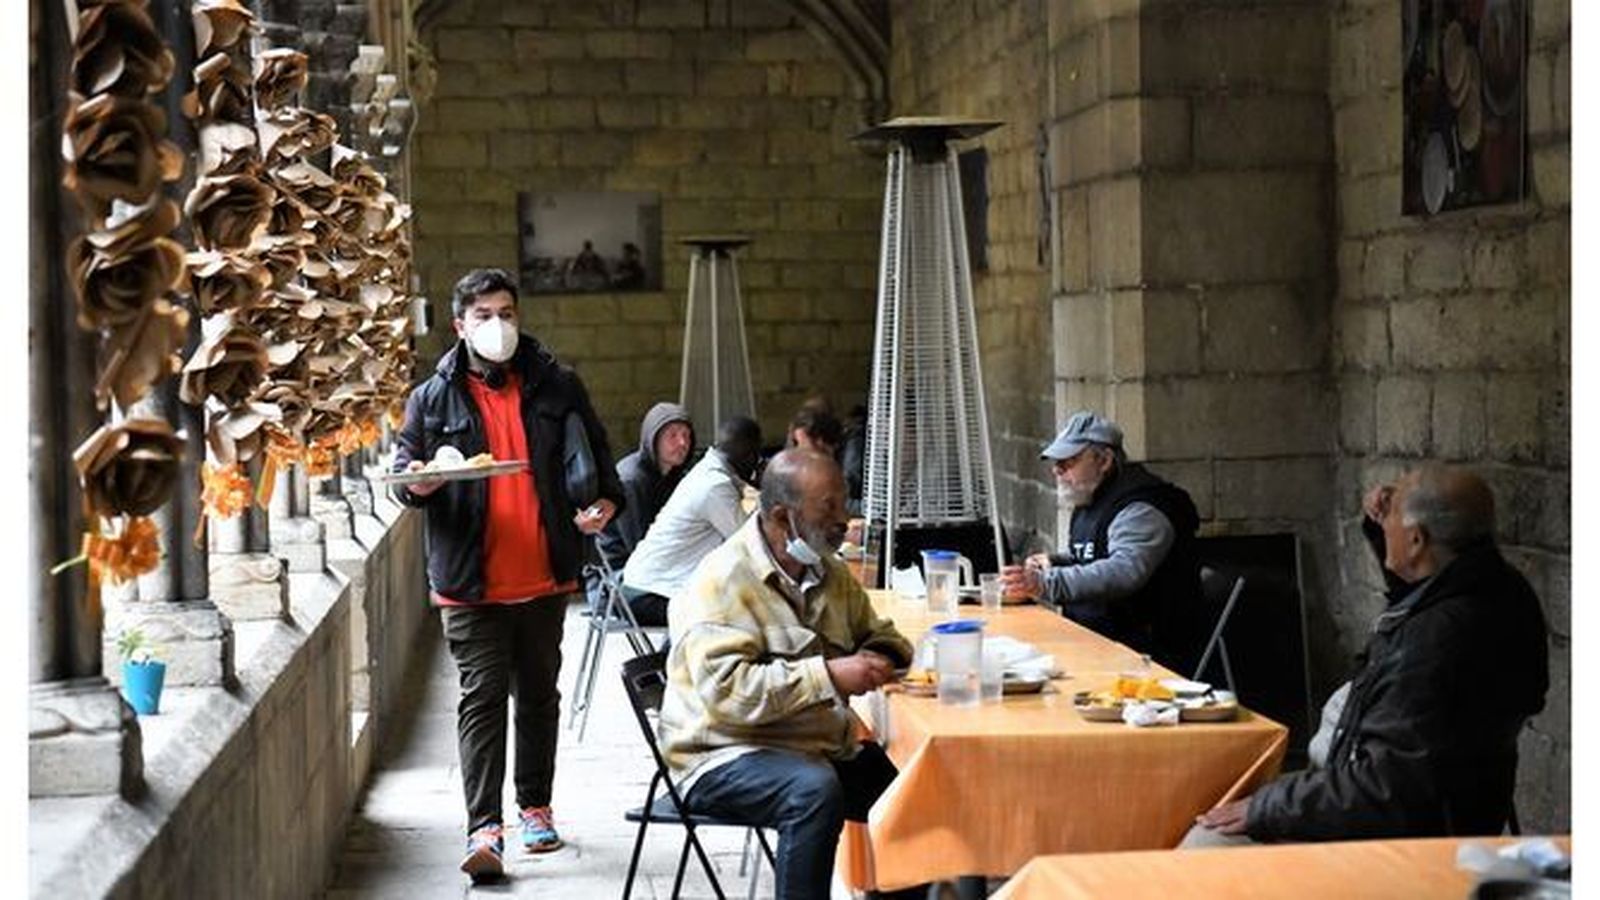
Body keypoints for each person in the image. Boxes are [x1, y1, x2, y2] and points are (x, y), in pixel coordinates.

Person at [392, 267, 625, 883]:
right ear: (460, 325)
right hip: (470, 579)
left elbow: (602, 468)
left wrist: (604, 506)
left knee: (539, 696)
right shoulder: (430, 398)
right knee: (482, 699)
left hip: (545, 573)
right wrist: (419, 484)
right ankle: (483, 827)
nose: (499, 326)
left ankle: (535, 807)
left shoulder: (557, 385)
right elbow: (404, 480)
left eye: (507, 313)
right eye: (485, 316)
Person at [1184, 465, 1548, 846]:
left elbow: (1384, 790)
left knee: (1204, 842)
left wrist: (1266, 807)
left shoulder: (1436, 640)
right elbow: (1421, 591)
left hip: (1399, 827)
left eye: (1392, 514)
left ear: (1418, 540)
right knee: (1225, 798)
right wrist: (1382, 531)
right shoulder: (1494, 588)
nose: (1383, 513)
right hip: (1432, 798)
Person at [659, 449, 920, 900]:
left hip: (801, 744)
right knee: (814, 791)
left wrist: (879, 655)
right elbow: (729, 695)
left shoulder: (829, 573)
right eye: (829, 508)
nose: (844, 519)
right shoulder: (722, 581)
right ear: (783, 517)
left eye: (844, 502)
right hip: (718, 753)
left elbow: (885, 636)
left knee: (911, 783)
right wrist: (831, 676)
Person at [998, 410, 1202, 670]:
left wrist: (1044, 583)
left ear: (1104, 461)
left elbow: (1122, 571)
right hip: (1098, 640)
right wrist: (1055, 562)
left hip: (1148, 656)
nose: (1057, 470)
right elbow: (1096, 556)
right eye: (1056, 463)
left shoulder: (1141, 507)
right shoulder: (1091, 496)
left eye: (1068, 461)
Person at [619, 416, 763, 626]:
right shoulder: (714, 485)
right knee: (746, 613)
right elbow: (748, 542)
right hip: (648, 594)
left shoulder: (709, 471)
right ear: (746, 453)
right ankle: (683, 657)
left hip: (644, 587)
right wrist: (769, 493)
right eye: (755, 455)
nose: (757, 461)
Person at [595, 401, 695, 573]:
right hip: (619, 573)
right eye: (672, 435)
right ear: (654, 439)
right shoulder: (631, 480)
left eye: (686, 435)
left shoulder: (674, 476)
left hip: (655, 563)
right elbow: (640, 549)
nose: (682, 443)